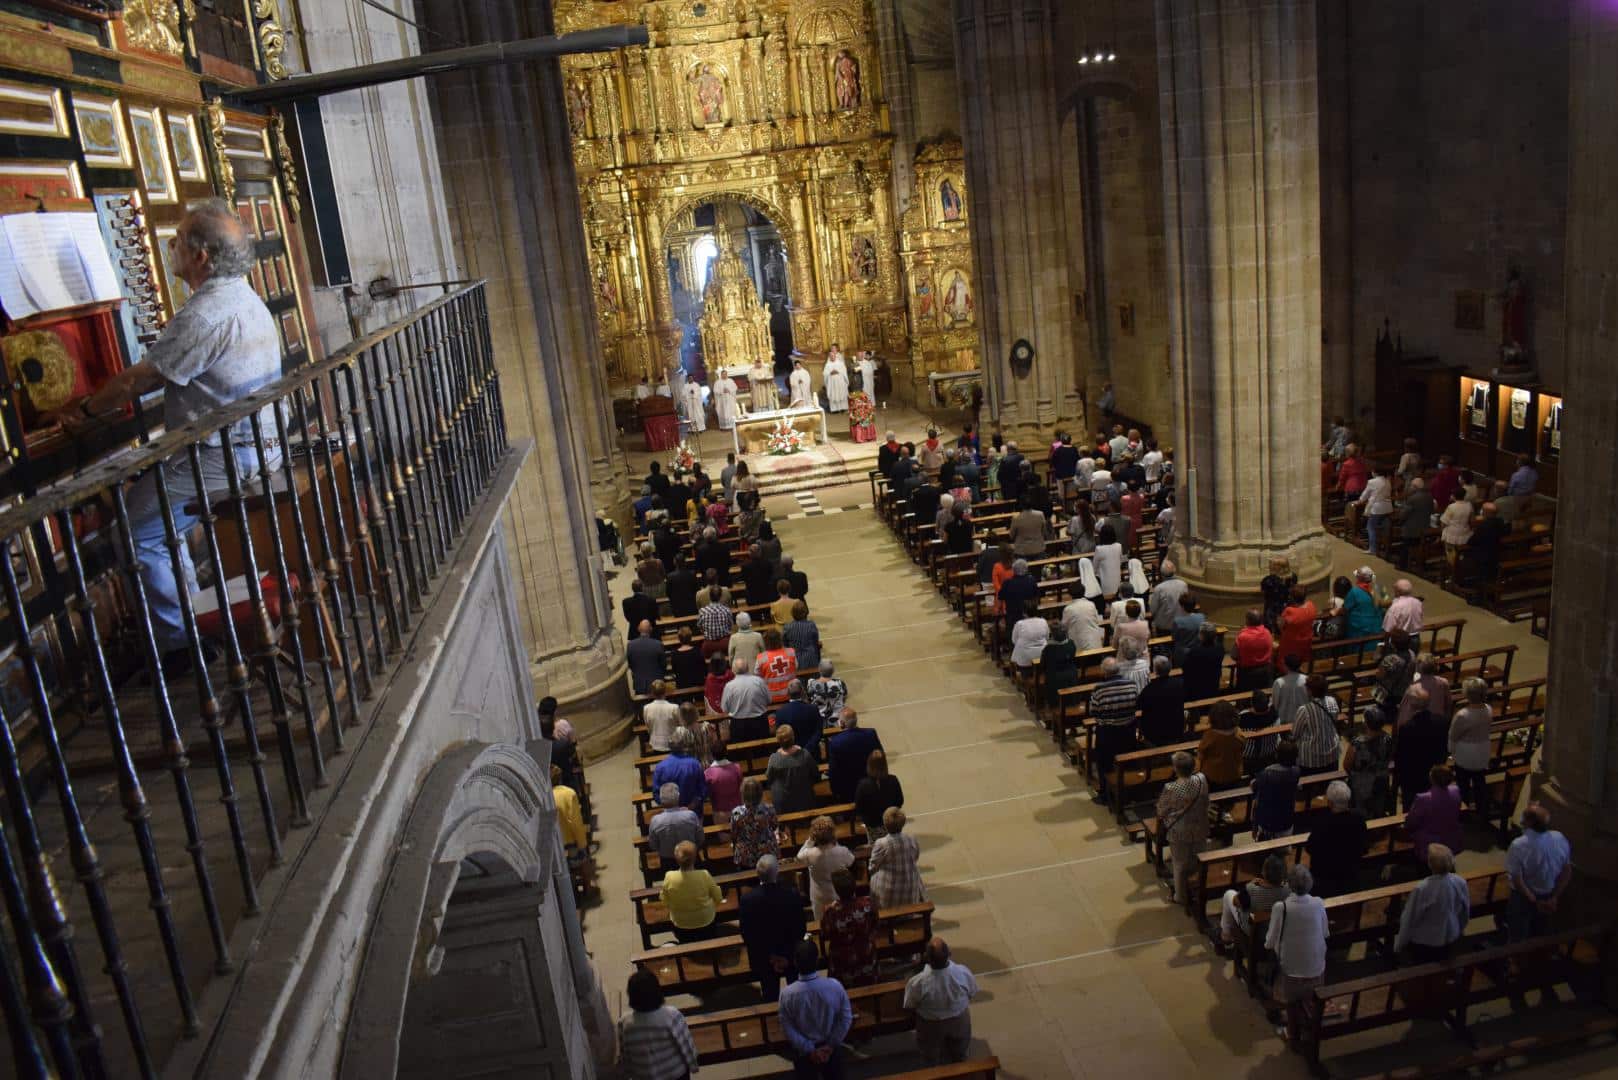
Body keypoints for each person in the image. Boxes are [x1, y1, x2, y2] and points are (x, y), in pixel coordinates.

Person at [60, 201, 285, 673]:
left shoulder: (206, 314)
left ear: (201, 257)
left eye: (178, 240)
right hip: (258, 444)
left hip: (225, 453)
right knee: (162, 522)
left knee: (137, 533)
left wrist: (83, 410)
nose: (171, 248)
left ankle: (180, 646)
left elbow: (136, 382)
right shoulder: (243, 297)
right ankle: (191, 622)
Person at [1266, 865, 1329, 1043]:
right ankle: (1310, 1023)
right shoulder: (1318, 902)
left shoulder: (1281, 907)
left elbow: (1270, 940)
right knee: (1310, 996)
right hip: (1317, 968)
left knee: (1292, 1001)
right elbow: (1325, 932)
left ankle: (1293, 1033)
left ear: (1289, 885)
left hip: (1291, 970)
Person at [778, 939, 853, 1078]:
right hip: (831, 1049)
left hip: (804, 1053)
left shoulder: (787, 994)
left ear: (795, 962)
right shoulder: (834, 986)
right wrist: (830, 1045)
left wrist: (810, 1050)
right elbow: (846, 1018)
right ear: (817, 961)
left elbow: (787, 1027)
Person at [740, 854, 807, 1002]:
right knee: (796, 990)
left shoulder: (747, 899)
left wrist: (771, 957)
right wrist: (785, 955)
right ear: (777, 872)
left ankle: (771, 1019)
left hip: (764, 957)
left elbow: (747, 933)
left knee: (769, 992)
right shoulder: (791, 895)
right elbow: (800, 928)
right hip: (790, 953)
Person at [904, 937, 978, 1066]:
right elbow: (971, 992)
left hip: (930, 1025)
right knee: (960, 1053)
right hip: (958, 1021)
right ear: (949, 954)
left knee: (930, 1057)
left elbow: (910, 1004)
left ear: (927, 958)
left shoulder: (918, 982)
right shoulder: (962, 972)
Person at [1504, 802, 1572, 941]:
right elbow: (1567, 870)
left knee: (1519, 935)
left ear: (1527, 822)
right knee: (1540, 933)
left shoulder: (1519, 845)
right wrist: (1554, 897)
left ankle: (1517, 958)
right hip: (1549, 893)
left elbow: (1517, 879)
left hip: (1524, 897)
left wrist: (1533, 900)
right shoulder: (1559, 837)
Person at [1394, 844, 1471, 964]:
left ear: (1429, 864)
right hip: (1450, 935)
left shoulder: (1423, 888)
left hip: (1425, 941)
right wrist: (1458, 929)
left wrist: (1399, 943)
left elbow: (1410, 918)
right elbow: (1465, 911)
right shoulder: (1460, 881)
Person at [618, 969, 700, 1080]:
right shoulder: (671, 1015)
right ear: (657, 991)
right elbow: (685, 1044)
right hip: (675, 1073)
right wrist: (693, 1065)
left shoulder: (624, 1022)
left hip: (644, 1076)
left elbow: (625, 1054)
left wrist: (627, 1074)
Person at [1156, 751, 1210, 905]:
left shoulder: (1171, 787)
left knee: (1179, 863)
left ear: (1175, 769)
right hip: (1200, 824)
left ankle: (1180, 896)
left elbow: (1161, 811)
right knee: (1199, 857)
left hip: (1179, 830)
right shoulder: (1201, 779)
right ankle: (1199, 885)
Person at [1302, 781, 1367, 898]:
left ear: (1330, 803)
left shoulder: (1322, 823)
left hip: (1324, 881)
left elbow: (1310, 848)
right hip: (1350, 877)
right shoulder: (1359, 819)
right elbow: (1363, 848)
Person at [1215, 853, 1290, 953]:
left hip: (1253, 930)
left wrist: (1251, 884)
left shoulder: (1253, 889)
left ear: (1264, 872)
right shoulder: (1288, 889)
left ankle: (1226, 938)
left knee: (1229, 894)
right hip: (1278, 930)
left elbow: (1235, 902)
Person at [1089, 657, 1140, 803]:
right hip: (1128, 729)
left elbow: (1094, 711)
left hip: (1107, 731)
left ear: (1104, 672)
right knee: (1127, 760)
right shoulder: (1131, 684)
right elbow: (1135, 704)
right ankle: (1128, 792)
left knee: (1104, 762)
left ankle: (1105, 794)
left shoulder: (1099, 689)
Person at [1394, 686, 1450, 812]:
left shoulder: (1407, 728)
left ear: (1412, 705)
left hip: (1413, 776)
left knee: (1411, 809)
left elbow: (1401, 755)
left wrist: (1399, 776)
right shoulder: (1442, 721)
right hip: (1435, 771)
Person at [819, 870, 878, 987]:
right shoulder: (867, 904)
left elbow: (825, 934)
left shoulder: (830, 911)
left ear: (836, 890)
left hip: (842, 960)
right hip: (865, 953)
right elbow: (875, 925)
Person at [658, 841, 722, 943]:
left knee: (686, 940)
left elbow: (664, 900)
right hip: (705, 920)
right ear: (695, 858)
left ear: (676, 859)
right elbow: (718, 897)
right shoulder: (704, 875)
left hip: (681, 923)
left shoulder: (669, 877)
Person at [1448, 677, 1494, 815]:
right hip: (1482, 749)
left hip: (1466, 753)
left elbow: (1453, 735)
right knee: (1479, 779)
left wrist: (1450, 750)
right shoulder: (1488, 709)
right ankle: (1482, 808)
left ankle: (1464, 810)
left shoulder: (1463, 715)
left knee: (1463, 783)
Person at [798, 815, 855, 921]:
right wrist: (835, 842)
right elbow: (851, 861)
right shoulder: (842, 851)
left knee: (821, 924)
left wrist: (810, 841)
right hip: (839, 894)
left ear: (814, 835)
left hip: (819, 896)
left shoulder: (810, 854)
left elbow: (799, 856)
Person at [1342, 705, 1395, 817]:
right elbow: (1391, 757)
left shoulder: (1357, 743)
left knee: (1360, 815)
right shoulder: (1389, 739)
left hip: (1360, 786)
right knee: (1378, 812)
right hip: (1381, 782)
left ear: (1366, 723)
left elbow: (1346, 765)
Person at [1407, 764, 1464, 866]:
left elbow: (1412, 821)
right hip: (1451, 838)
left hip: (1429, 843)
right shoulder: (1456, 791)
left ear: (1432, 779)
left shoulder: (1423, 799)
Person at [869, 806, 924, 908]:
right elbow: (915, 857)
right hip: (910, 891)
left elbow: (872, 867)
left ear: (885, 824)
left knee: (873, 878)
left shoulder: (881, 843)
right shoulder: (911, 839)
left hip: (887, 895)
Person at [827, 708, 882, 803]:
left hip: (848, 788)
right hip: (871, 782)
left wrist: (835, 791)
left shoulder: (835, 742)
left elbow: (834, 770)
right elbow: (880, 756)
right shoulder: (871, 734)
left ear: (842, 723)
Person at [1252, 739, 1302, 839]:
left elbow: (1255, 787)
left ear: (1276, 755)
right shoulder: (1296, 772)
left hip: (1267, 820)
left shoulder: (1266, 774)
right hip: (1286, 819)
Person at [1292, 675, 1341, 776]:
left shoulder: (1304, 710)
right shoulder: (1332, 701)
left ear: (1309, 691)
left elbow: (1295, 733)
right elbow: (1334, 719)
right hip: (1332, 754)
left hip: (1311, 759)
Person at [767, 725, 819, 815]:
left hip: (783, 802)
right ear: (793, 738)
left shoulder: (774, 758)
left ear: (778, 740)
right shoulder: (805, 755)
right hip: (804, 799)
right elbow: (815, 774)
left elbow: (769, 777)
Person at [730, 777, 780, 871]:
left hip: (746, 857)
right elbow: (774, 826)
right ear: (760, 793)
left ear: (743, 794)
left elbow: (734, 834)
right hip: (767, 853)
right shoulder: (769, 809)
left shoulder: (737, 812)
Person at [1138, 655, 1188, 746]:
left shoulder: (1148, 689)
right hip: (1176, 727)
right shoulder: (1180, 684)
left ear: (1155, 671)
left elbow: (1140, 706)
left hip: (1155, 731)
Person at [854, 749, 904, 840]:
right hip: (892, 824)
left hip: (872, 825)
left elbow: (859, 807)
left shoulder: (863, 785)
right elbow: (899, 801)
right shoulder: (893, 780)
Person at [652, 728, 707, 810]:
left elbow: (656, 793)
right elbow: (702, 790)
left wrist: (671, 808)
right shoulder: (694, 764)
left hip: (671, 815)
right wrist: (693, 804)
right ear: (683, 746)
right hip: (693, 811)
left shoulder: (660, 767)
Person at [648, 780, 705, 860]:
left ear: (661, 800)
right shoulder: (690, 815)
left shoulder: (655, 821)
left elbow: (653, 845)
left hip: (667, 860)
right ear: (678, 797)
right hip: (690, 856)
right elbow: (700, 838)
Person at [721, 658, 772, 744]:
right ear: (748, 668)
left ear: (733, 670)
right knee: (762, 751)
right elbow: (769, 700)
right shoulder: (759, 681)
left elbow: (724, 708)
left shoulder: (729, 686)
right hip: (759, 722)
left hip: (739, 725)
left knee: (741, 754)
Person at [1198, 701, 1245, 790]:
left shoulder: (1209, 736)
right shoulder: (1238, 734)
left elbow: (1201, 755)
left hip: (1213, 774)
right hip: (1233, 772)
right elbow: (1242, 749)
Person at [776, 678, 824, 761]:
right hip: (812, 754)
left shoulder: (781, 712)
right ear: (802, 692)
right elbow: (819, 731)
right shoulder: (813, 709)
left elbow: (780, 734)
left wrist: (793, 749)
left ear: (788, 693)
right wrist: (808, 749)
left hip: (791, 755)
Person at [1232, 609, 1276, 691]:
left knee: (1244, 698)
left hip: (1247, 674)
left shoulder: (1243, 636)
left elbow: (1234, 655)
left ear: (1247, 621)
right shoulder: (1267, 632)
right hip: (1265, 671)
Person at [1182, 623, 1227, 702]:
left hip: (1197, 686)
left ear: (1201, 636)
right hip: (1213, 683)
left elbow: (1185, 668)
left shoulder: (1195, 651)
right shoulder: (1220, 648)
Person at [1238, 690, 1280, 775]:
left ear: (1252, 704)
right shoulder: (1274, 713)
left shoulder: (1243, 717)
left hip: (1249, 756)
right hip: (1270, 751)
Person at [1357, 466, 1395, 557]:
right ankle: (1385, 548)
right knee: (1385, 529)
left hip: (1377, 508)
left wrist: (1360, 500)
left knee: (1370, 528)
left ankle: (1373, 549)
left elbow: (1366, 494)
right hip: (1387, 507)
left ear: (1375, 472)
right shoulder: (1387, 481)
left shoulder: (1372, 482)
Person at [704, 740, 743, 817]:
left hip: (720, 812)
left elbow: (708, 794)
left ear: (712, 755)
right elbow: (741, 787)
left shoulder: (707, 773)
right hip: (737, 810)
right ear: (726, 752)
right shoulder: (737, 768)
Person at [627, 621, 667, 696]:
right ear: (651, 629)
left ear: (638, 629)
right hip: (657, 685)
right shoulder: (658, 644)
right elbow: (663, 665)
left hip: (640, 684)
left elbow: (630, 664)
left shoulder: (631, 645)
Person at [1148, 561, 1189, 634]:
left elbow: (1152, 610)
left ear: (1161, 574)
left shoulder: (1159, 588)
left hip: (1164, 626)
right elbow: (1187, 603)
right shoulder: (1183, 585)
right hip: (1181, 623)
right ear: (1175, 571)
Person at [997, 557, 1039, 628]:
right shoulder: (1032, 581)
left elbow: (1000, 599)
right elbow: (1036, 598)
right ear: (1026, 569)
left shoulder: (1007, 583)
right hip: (1029, 615)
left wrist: (1000, 614)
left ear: (1013, 570)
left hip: (1012, 617)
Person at [1343, 568, 1383, 639]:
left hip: (1359, 632)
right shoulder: (1378, 588)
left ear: (1359, 579)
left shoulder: (1354, 592)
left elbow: (1345, 609)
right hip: (1376, 630)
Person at [642, 680, 681, 753]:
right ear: (665, 692)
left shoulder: (646, 708)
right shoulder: (674, 707)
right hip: (673, 743)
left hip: (655, 744)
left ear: (652, 693)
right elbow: (680, 725)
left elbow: (648, 726)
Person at [1062, 587, 1104, 652]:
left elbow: (1064, 627)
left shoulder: (1068, 609)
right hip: (1094, 642)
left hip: (1079, 645)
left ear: (1070, 595)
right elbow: (1097, 620)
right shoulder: (1091, 604)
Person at [807, 661, 848, 728]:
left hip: (819, 720)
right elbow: (844, 697)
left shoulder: (811, 683)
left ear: (819, 670)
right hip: (837, 720)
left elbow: (809, 698)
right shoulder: (840, 683)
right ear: (833, 671)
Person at [1439, 493, 1474, 570]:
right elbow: (1471, 520)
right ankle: (1460, 568)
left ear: (1454, 496)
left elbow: (1444, 521)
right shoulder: (1469, 505)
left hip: (1451, 534)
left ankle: (1452, 568)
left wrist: (1442, 531)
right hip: (1465, 533)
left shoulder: (1451, 507)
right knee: (1461, 553)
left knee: (1450, 554)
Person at [1171, 592, 1207, 665]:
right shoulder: (1201, 617)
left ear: (1183, 607)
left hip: (1183, 655)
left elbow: (1174, 637)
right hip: (1198, 651)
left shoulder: (1178, 621)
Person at [1093, 524, 1124, 598]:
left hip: (1105, 582)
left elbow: (1094, 567)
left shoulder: (1099, 549)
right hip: (1117, 578)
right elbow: (1121, 561)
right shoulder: (1119, 546)